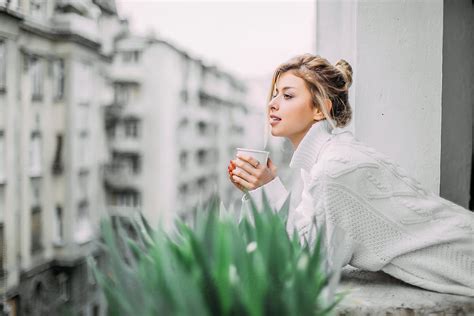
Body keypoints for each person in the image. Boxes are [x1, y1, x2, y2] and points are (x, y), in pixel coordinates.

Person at [227, 53, 474, 297]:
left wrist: (268, 189)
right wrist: (262, 189)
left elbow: (309, 266)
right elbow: (301, 238)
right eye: (275, 94)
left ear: (321, 109)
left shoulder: (333, 170)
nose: (272, 103)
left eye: (288, 95)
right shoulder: (324, 161)